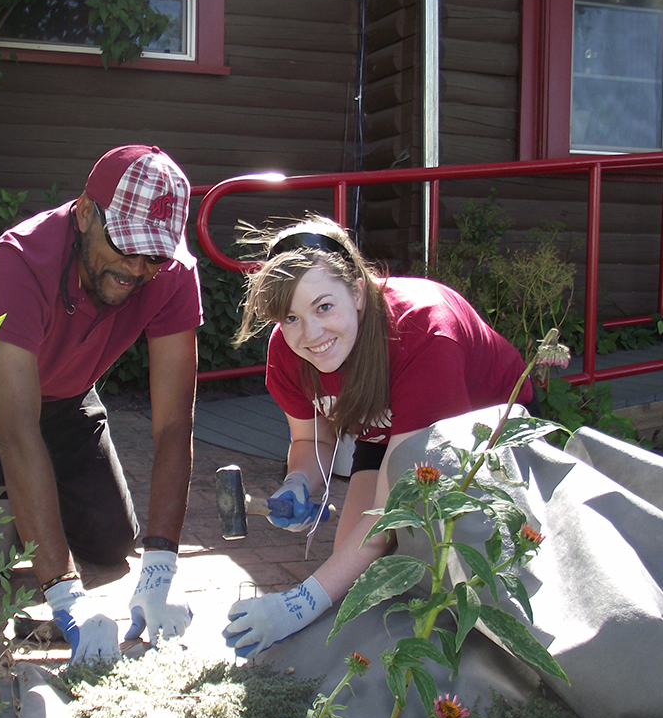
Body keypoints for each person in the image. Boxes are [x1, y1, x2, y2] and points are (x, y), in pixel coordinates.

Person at [0, 145, 201, 665]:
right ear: (87, 213)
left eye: (153, 254)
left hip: (66, 394)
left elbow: (174, 425)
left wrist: (160, 567)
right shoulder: (19, 263)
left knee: (114, 540)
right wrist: (65, 593)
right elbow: (15, 434)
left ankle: (34, 511)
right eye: (125, 246)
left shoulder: (171, 272)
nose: (137, 268)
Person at [222, 215, 533, 658]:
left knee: (449, 566)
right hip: (388, 429)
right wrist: (300, 482)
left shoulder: (425, 331)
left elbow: (392, 511)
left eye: (323, 307)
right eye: (290, 316)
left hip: (486, 427)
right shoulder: (286, 350)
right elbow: (313, 443)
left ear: (357, 291)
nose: (310, 334)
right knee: (356, 581)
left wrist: (298, 603)